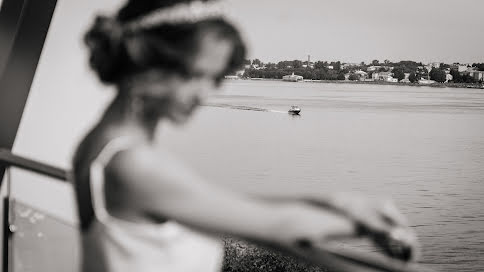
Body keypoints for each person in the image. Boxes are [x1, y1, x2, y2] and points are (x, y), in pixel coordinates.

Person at [73, 1, 419, 272]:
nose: (205, 95)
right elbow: (276, 224)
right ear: (146, 63)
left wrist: (337, 201)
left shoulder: (103, 142)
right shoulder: (134, 164)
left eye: (215, 80)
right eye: (196, 76)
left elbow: (225, 204)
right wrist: (371, 225)